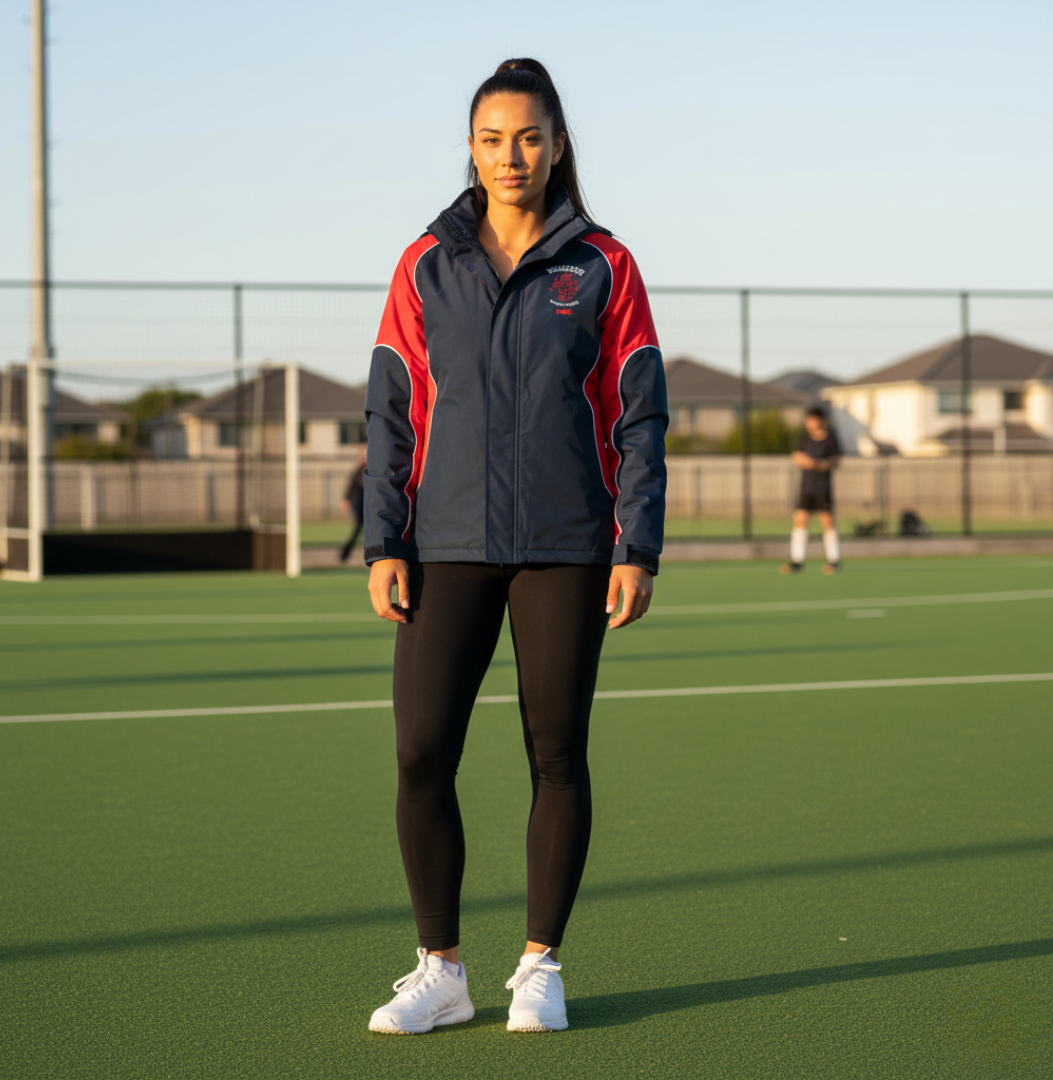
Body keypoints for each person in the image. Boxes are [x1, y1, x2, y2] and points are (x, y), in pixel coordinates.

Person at [362, 58, 668, 1035]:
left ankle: (540, 966)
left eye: (529, 137)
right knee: (419, 754)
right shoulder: (424, 262)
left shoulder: (604, 267)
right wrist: (384, 538)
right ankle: (441, 970)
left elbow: (639, 415)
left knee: (556, 755)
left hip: (567, 545)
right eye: (493, 138)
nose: (511, 156)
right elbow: (391, 412)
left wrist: (637, 544)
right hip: (445, 539)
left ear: (558, 145)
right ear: (469, 145)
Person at [782, 405, 841, 574]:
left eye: (811, 419)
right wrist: (804, 460)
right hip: (806, 487)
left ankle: (834, 560)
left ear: (819, 420)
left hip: (823, 488)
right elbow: (796, 455)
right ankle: (797, 560)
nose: (808, 423)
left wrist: (820, 465)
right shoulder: (805, 439)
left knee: (827, 522)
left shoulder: (830, 439)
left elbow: (835, 460)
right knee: (800, 520)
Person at [338, 444, 366, 562]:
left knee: (364, 529)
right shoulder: (359, 471)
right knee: (358, 528)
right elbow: (352, 485)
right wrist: (346, 498)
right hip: (359, 502)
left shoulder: (376, 469)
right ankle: (345, 553)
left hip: (368, 502)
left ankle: (345, 553)